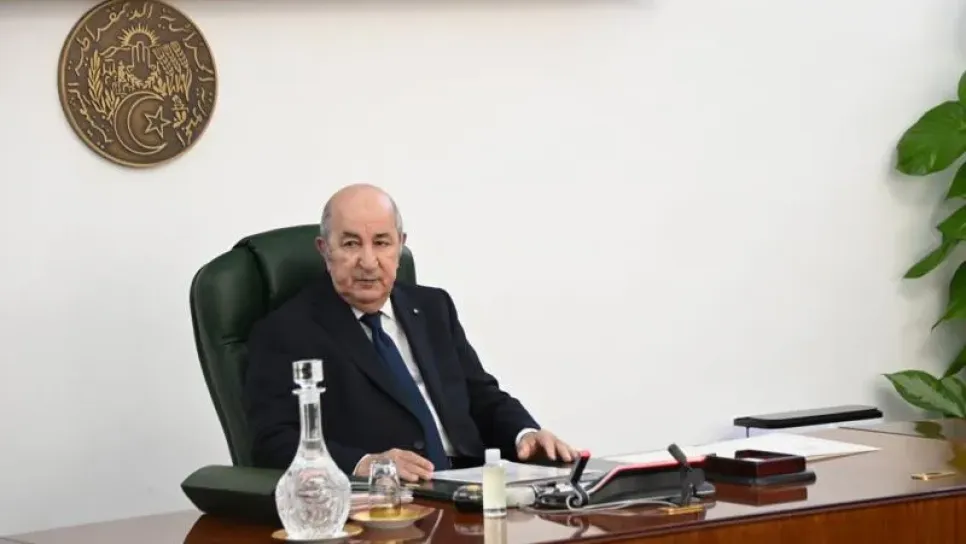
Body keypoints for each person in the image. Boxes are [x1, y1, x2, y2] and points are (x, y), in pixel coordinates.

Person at [243, 184, 577, 481]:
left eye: (382, 243)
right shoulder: (286, 331)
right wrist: (365, 464)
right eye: (351, 244)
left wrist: (524, 434)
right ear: (324, 249)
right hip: (391, 500)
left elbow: (480, 396)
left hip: (475, 486)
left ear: (400, 246)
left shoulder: (433, 307)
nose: (369, 261)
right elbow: (273, 442)